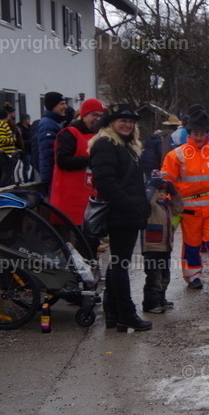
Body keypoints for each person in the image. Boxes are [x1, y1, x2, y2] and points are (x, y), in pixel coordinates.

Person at [159, 111, 209, 292]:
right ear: (189, 133)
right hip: (189, 211)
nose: (199, 137)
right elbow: (167, 180)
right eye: (196, 133)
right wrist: (168, 201)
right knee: (192, 244)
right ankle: (193, 276)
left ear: (207, 133)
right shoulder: (176, 155)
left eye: (202, 133)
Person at [89, 104, 151, 332]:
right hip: (120, 214)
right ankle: (126, 313)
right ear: (110, 123)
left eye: (131, 121)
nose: (127, 124)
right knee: (120, 264)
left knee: (117, 263)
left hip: (128, 213)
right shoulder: (105, 144)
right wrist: (131, 204)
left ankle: (113, 314)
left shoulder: (124, 145)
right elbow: (105, 184)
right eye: (122, 120)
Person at [50, 98, 103, 241]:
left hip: (88, 197)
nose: (97, 119)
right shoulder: (70, 134)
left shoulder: (99, 136)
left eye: (100, 115)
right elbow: (62, 161)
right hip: (69, 198)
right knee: (70, 242)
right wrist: (91, 161)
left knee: (89, 241)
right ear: (84, 115)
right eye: (94, 115)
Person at [141, 176, 183, 314]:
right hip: (152, 248)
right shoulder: (151, 207)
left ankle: (161, 299)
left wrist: (174, 192)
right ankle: (150, 303)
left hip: (165, 247)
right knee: (154, 277)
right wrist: (152, 187)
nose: (161, 195)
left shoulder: (167, 206)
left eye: (164, 192)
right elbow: (146, 201)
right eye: (159, 192)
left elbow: (179, 207)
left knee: (165, 276)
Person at [33, 91, 68, 195]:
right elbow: (49, 153)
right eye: (62, 104)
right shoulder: (47, 124)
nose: (65, 106)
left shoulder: (54, 122)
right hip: (52, 175)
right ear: (53, 106)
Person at [0, 108, 19, 186]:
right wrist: (12, 140)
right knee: (7, 172)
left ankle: (5, 186)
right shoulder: (1, 125)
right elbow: (1, 139)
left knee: (8, 172)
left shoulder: (2, 125)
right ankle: (3, 188)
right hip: (5, 153)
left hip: (7, 152)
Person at [16, 114, 33, 181]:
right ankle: (26, 180)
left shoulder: (30, 128)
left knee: (33, 165)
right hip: (25, 150)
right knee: (26, 167)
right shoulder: (20, 129)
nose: (29, 120)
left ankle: (32, 179)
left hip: (31, 149)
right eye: (28, 119)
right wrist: (29, 142)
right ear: (24, 120)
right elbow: (20, 141)